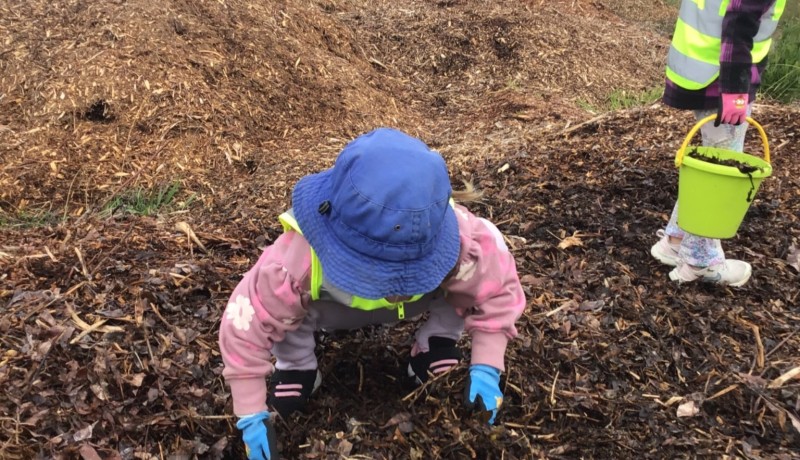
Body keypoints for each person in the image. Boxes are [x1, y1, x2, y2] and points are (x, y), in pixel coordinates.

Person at [219, 128, 527, 459]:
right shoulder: (295, 260)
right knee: (284, 310)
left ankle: (434, 345)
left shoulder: (465, 241)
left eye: (409, 273)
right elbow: (245, 325)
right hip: (330, 308)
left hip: (425, 301)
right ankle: (297, 365)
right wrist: (251, 414)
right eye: (375, 270)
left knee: (462, 283)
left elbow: (497, 289)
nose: (395, 291)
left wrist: (487, 366)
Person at [651, 0, 786, 286]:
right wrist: (736, 90)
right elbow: (738, 21)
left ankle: (675, 240)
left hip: (702, 67)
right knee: (719, 170)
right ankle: (700, 261)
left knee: (711, 158)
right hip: (721, 76)